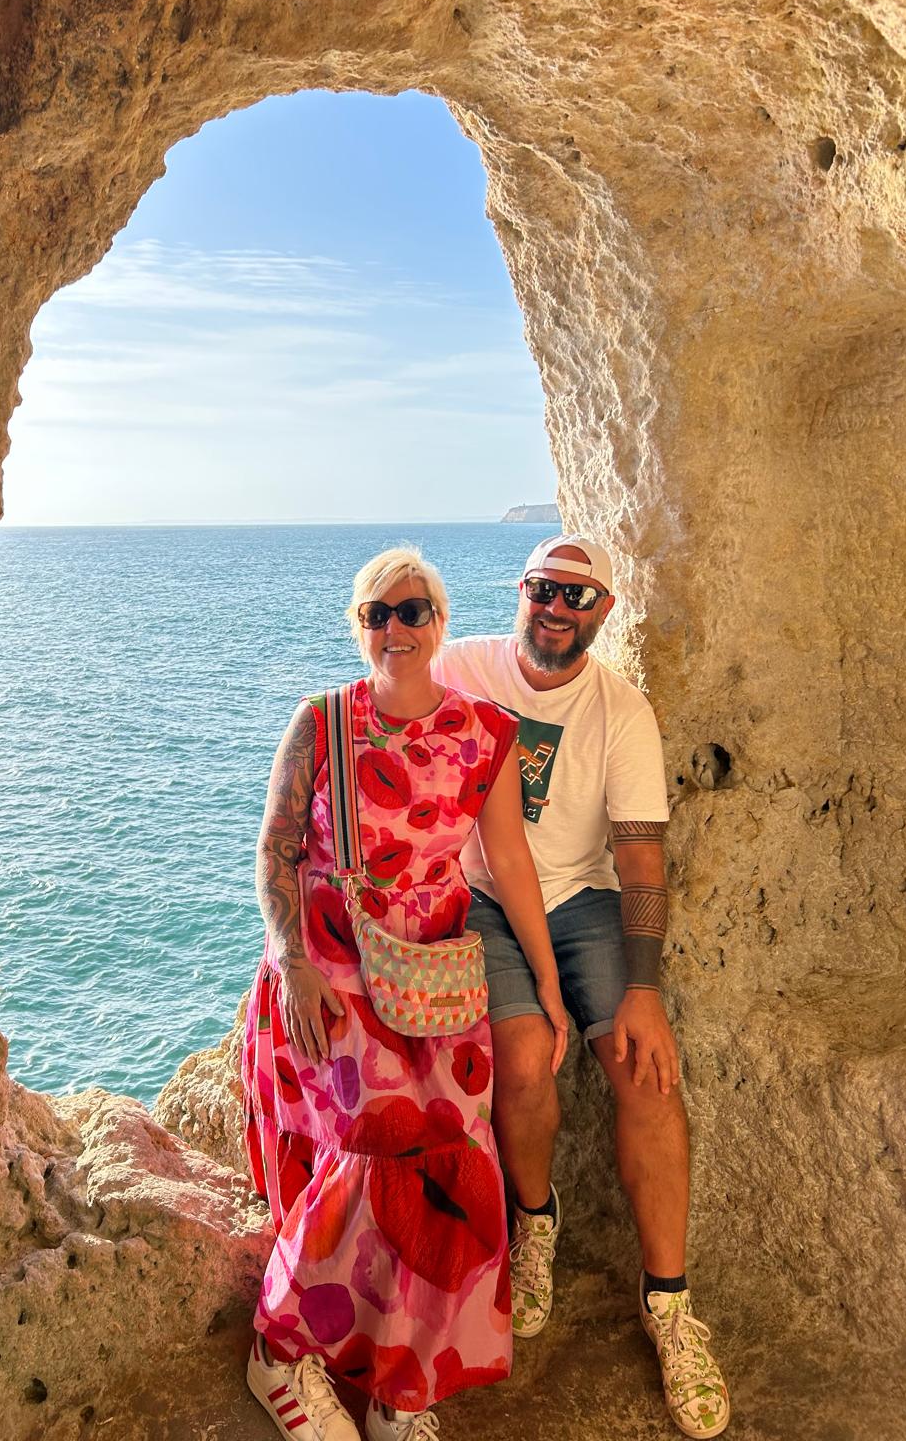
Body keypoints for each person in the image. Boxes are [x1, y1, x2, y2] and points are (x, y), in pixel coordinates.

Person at [241, 547, 569, 1441]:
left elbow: (510, 863)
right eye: (377, 614)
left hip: (435, 978)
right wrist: (292, 961)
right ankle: (277, 1352)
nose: (396, 628)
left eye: (413, 611)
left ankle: (402, 1382)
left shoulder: (485, 732)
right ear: (359, 628)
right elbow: (274, 851)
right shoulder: (321, 722)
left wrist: (546, 984)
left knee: (461, 1161)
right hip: (331, 968)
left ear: (440, 623)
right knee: (376, 1151)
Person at [432, 535, 730, 1441]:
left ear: (605, 611)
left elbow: (640, 861)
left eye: (578, 597)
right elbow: (383, 714)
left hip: (585, 902)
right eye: (544, 589)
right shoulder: (462, 667)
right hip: (484, 897)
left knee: (645, 1070)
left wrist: (644, 991)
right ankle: (535, 1223)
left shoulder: (620, 711)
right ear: (520, 591)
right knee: (523, 1059)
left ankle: (670, 1305)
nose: (557, 609)